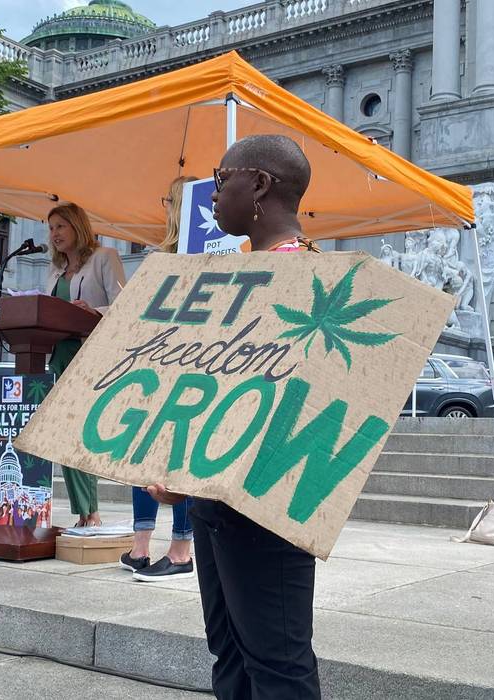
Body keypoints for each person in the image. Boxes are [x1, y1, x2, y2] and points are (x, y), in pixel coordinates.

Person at [147, 134, 322, 699]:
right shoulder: (242, 274)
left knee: (276, 660)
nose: (212, 194)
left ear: (262, 185)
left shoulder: (308, 282)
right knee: (228, 650)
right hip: (215, 497)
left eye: (222, 179)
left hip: (265, 501)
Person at [121, 176, 197, 582]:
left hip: (188, 366)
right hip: (157, 365)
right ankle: (140, 545)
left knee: (179, 457)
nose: (163, 205)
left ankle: (182, 550)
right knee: (142, 455)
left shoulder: (200, 254)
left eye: (168, 200)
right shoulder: (161, 257)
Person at [43, 201, 125, 528]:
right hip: (57, 355)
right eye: (50, 229)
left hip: (88, 355)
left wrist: (92, 310)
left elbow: (123, 304)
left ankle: (91, 513)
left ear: (77, 226)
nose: (54, 234)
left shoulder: (105, 258)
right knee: (63, 436)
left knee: (81, 432)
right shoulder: (54, 271)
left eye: (60, 226)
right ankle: (82, 511)